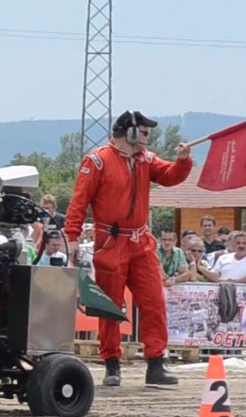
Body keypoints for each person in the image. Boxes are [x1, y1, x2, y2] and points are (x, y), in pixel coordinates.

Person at [63, 110, 193, 387]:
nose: (148, 137)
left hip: (141, 243)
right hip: (110, 242)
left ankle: (155, 363)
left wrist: (183, 162)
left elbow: (170, 176)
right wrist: (71, 235)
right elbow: (78, 201)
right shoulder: (97, 161)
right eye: (145, 132)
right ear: (131, 132)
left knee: (154, 303)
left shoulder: (146, 159)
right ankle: (112, 363)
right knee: (109, 306)